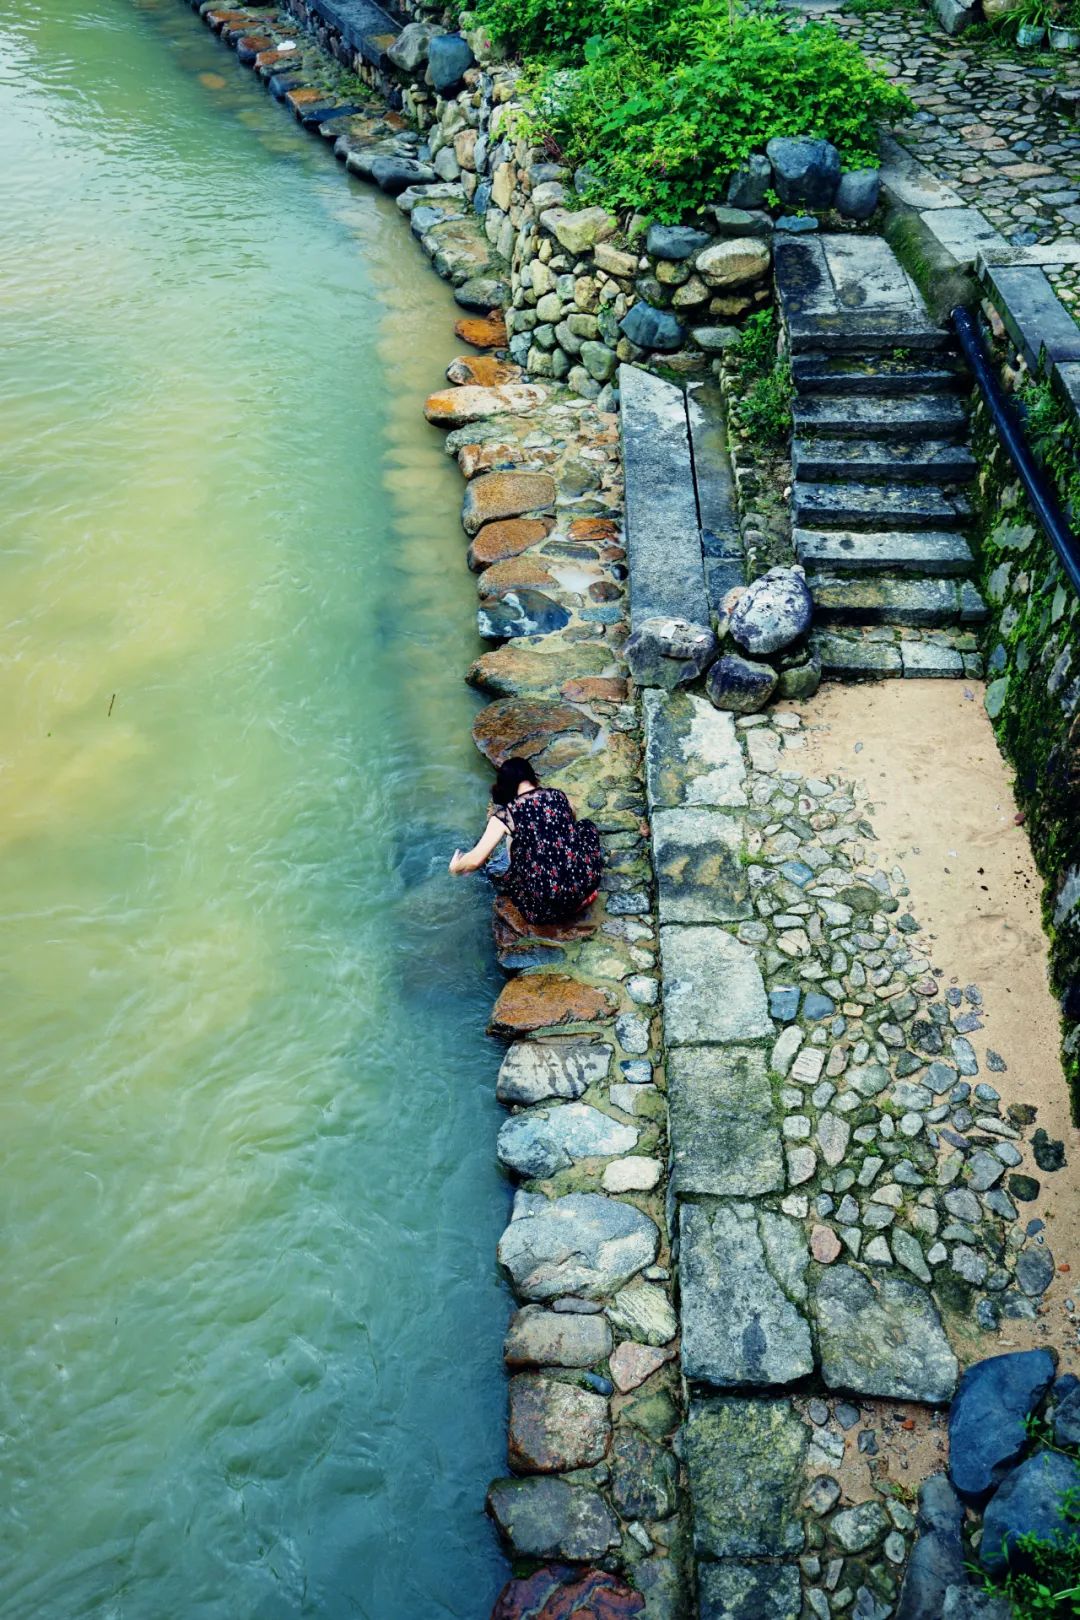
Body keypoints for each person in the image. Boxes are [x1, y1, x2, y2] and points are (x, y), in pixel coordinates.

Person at [449, 757, 603, 924]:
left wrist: (455, 868)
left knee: (499, 868)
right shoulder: (558, 795)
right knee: (586, 826)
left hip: (546, 904)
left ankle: (561, 902)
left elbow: (475, 860)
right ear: (532, 777)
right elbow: (572, 819)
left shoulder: (506, 815)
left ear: (505, 785)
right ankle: (580, 898)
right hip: (585, 884)